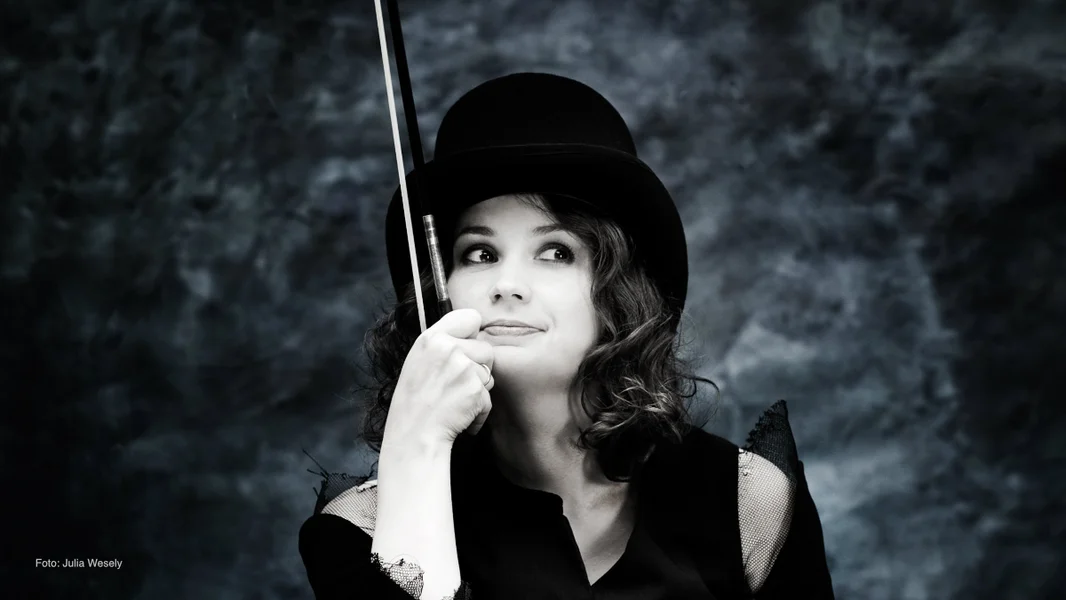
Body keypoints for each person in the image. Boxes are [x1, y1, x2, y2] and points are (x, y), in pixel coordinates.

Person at [298, 72, 834, 599]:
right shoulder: (367, 529)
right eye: (480, 254)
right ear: (441, 291)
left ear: (617, 291)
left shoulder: (747, 504)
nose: (506, 285)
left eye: (555, 252)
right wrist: (416, 446)